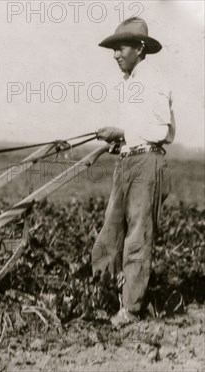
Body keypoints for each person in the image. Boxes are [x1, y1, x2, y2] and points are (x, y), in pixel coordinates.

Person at [92, 17, 175, 327]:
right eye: (113, 49)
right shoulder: (129, 84)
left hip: (147, 166)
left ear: (140, 49)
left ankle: (131, 309)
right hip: (127, 162)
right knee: (109, 234)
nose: (115, 55)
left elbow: (161, 131)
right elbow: (137, 132)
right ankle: (102, 298)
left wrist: (122, 132)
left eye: (120, 48)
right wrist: (119, 141)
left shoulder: (154, 81)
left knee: (138, 237)